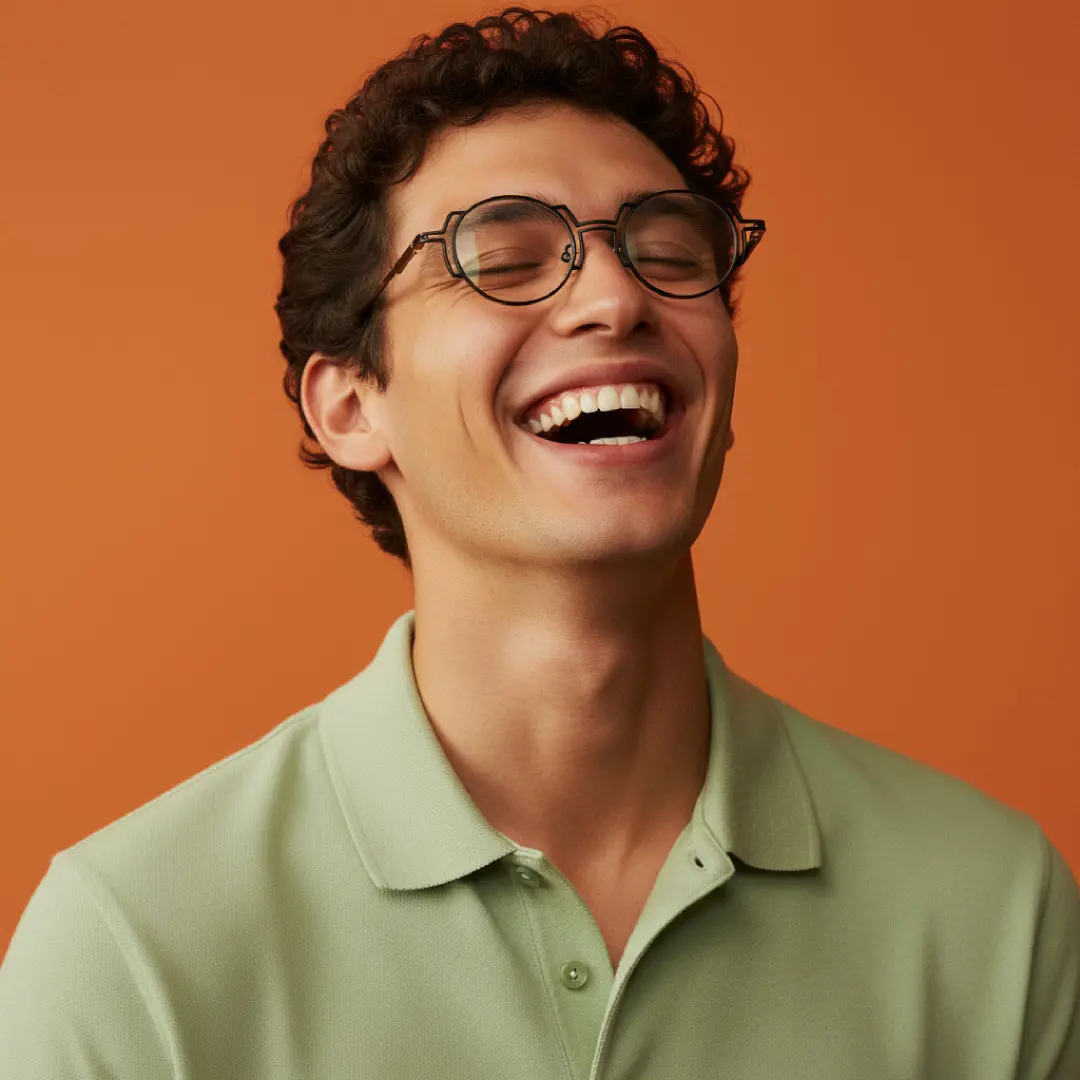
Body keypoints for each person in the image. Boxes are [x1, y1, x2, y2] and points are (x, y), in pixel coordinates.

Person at [2, 6, 1077, 1078]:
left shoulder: (996, 910)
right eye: (503, 260)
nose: (617, 297)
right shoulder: (135, 945)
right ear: (348, 408)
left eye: (667, 253)